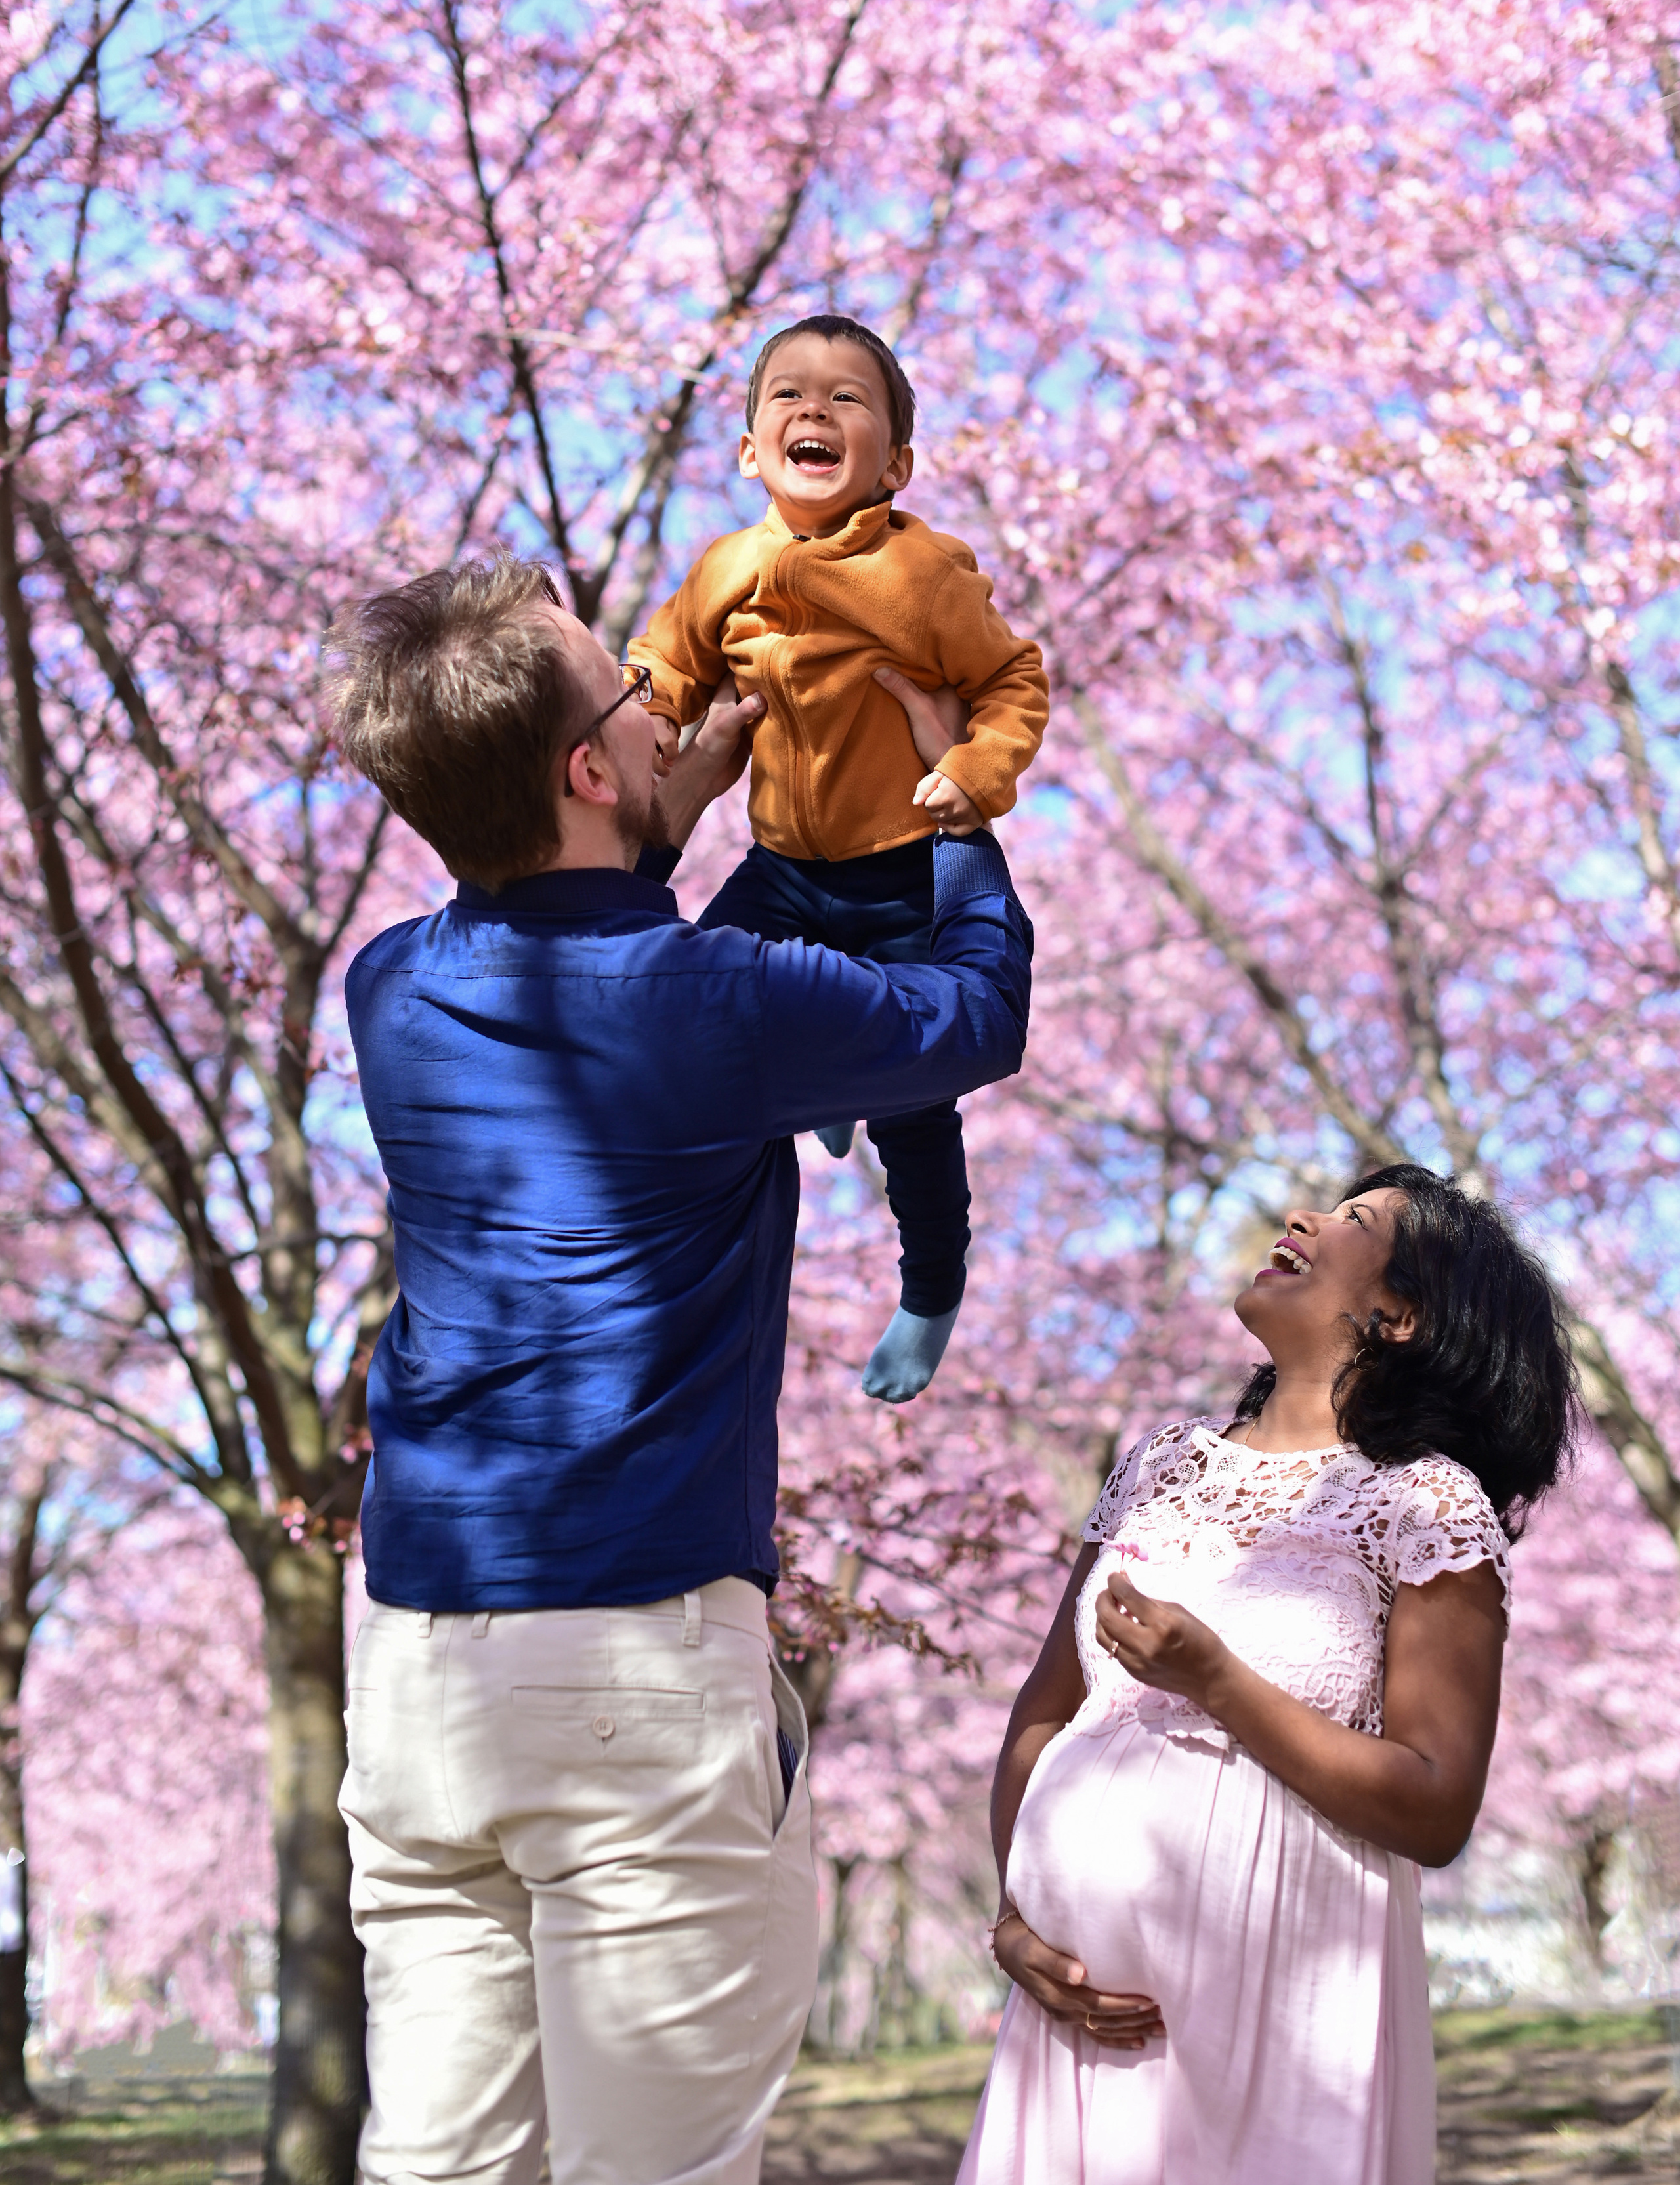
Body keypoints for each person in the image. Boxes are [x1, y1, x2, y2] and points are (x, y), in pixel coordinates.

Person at [324, 551, 1033, 2185]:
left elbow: (586, 946)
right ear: (585, 766)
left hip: (422, 1684)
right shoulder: (709, 997)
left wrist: (662, 812)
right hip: (630, 1674)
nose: (670, 703)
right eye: (633, 696)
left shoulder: (393, 988)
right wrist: (946, 794)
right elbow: (971, 1015)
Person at [959, 1162, 1578, 2185]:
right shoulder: (1158, 1466)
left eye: (1355, 1221)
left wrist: (1219, 1681)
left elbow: (1435, 1806)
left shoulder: (1427, 1504)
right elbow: (1043, 1711)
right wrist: (1015, 1921)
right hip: (1072, 2018)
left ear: (1401, 1315)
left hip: (1282, 2002)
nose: (1303, 1219)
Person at [629, 315, 1049, 1405]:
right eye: (789, 396)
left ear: (897, 465)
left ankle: (932, 1284)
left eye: (847, 399)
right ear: (748, 450)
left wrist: (975, 768)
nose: (814, 411)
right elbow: (663, 663)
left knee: (915, 1104)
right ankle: (816, 1073)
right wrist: (645, 725)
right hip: (784, 868)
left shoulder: (919, 574)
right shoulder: (727, 567)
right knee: (682, 987)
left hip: (905, 865)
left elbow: (1013, 679)